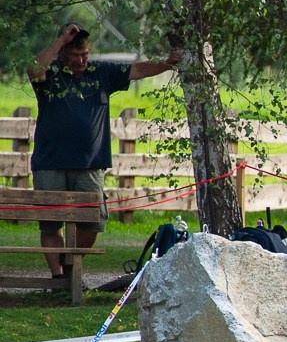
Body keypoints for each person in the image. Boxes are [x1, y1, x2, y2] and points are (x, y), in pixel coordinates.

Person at [26, 23, 179, 276]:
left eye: (85, 54)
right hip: (50, 161)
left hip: (91, 164)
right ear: (63, 54)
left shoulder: (101, 72)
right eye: (75, 56)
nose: (81, 60)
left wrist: (167, 63)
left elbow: (138, 69)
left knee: (94, 221)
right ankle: (58, 278)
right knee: (50, 224)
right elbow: (33, 69)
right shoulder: (50, 73)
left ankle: (69, 267)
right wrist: (60, 40)